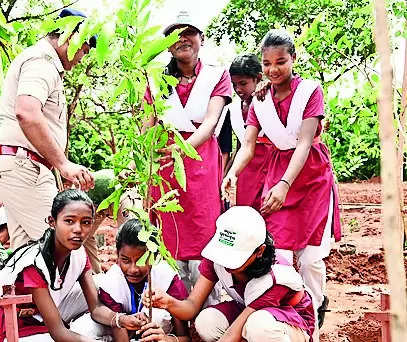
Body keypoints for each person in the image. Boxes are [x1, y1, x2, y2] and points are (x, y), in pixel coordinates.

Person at [222, 29, 341, 326]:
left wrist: (285, 184)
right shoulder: (260, 100)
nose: (273, 70)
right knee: (282, 254)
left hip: (310, 176)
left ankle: (313, 313)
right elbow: (248, 145)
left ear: (293, 59)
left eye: (281, 62)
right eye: (267, 63)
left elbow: (304, 142)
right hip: (278, 175)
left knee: (311, 257)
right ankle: (289, 317)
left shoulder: (309, 92)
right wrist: (233, 173)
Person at [0, 8, 99, 271]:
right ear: (69, 35)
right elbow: (26, 112)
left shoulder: (42, 62)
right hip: (24, 167)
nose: (83, 56)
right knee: (68, 252)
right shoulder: (42, 63)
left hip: (20, 166)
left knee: (28, 259)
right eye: (84, 48)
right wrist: (63, 163)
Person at [0, 189, 131, 341]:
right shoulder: (34, 263)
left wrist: (120, 320)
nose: (78, 229)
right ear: (52, 221)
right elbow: (58, 332)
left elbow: (96, 308)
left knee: (103, 283)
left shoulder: (79, 254)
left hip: (42, 317)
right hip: (11, 326)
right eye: (69, 221)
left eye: (86, 222)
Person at [145, 10, 232, 292]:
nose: (182, 39)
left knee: (204, 230)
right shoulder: (156, 78)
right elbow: (148, 123)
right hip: (165, 165)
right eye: (175, 35)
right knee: (168, 232)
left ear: (201, 39)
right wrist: (147, 161)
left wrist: (180, 151)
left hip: (199, 162)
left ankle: (206, 304)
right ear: (167, 45)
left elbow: (210, 123)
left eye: (189, 33)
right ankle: (175, 309)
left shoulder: (217, 75)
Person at [144, 206, 316, 342]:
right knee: (206, 322)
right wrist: (169, 302)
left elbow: (231, 336)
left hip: (290, 322)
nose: (226, 263)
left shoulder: (275, 278)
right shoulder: (217, 259)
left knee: (260, 328)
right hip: (246, 313)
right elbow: (192, 306)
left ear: (259, 251)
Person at [70, 218, 189, 342]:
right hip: (121, 332)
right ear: (117, 255)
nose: (133, 270)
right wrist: (123, 321)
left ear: (153, 256)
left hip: (160, 336)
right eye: (125, 260)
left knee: (157, 317)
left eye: (141, 261)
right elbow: (119, 330)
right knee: (81, 329)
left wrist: (167, 339)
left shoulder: (166, 277)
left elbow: (185, 337)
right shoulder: (111, 283)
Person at [226, 54, 268, 210]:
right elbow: (239, 146)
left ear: (258, 78)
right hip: (245, 169)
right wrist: (229, 173)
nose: (238, 89)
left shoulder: (270, 100)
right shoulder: (233, 110)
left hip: (270, 164)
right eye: (234, 84)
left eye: (243, 83)